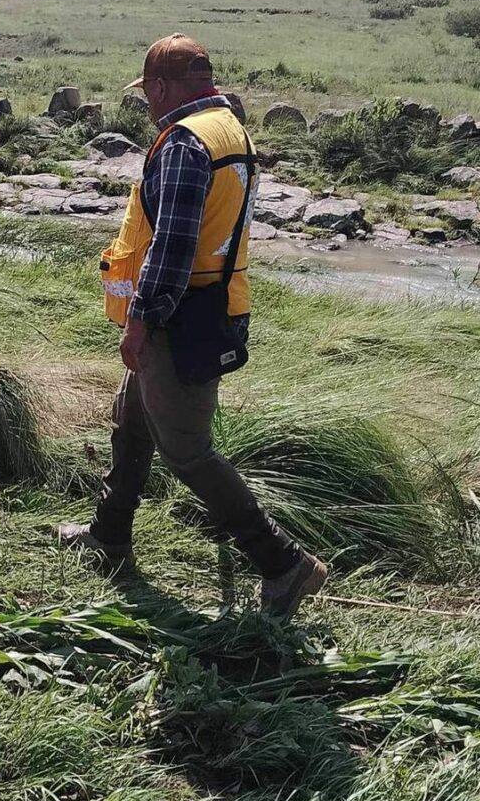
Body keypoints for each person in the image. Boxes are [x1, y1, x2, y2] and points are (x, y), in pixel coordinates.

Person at [58, 34, 327, 619]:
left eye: (147, 92)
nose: (146, 104)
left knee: (188, 452)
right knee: (132, 422)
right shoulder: (228, 127)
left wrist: (140, 321)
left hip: (181, 316)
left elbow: (173, 249)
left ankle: (284, 564)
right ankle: (109, 535)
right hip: (215, 304)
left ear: (160, 86)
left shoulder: (183, 142)